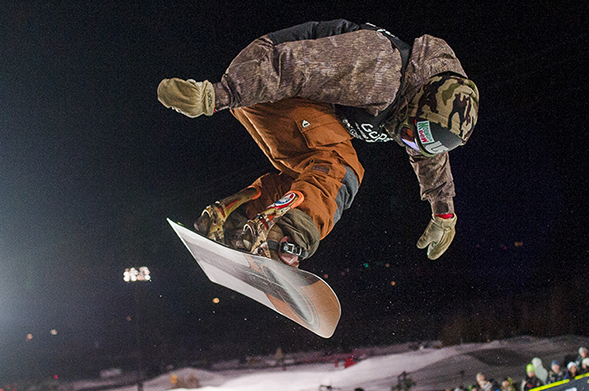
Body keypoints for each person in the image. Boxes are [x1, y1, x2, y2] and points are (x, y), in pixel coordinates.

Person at [158, 20, 479, 266]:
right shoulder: (380, 68)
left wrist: (444, 212)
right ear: (418, 100)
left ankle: (235, 222)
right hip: (268, 78)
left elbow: (429, 153)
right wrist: (218, 95)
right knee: (341, 167)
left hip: (270, 92)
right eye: (411, 132)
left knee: (308, 176)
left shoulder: (422, 113)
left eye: (419, 142)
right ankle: (286, 234)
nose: (407, 141)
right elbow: (297, 65)